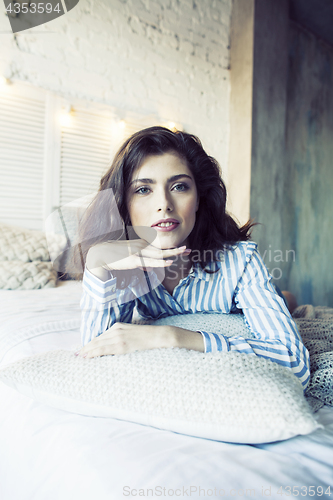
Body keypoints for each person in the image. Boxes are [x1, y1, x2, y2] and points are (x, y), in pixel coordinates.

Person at [74, 126, 309, 390]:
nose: (164, 203)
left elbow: (295, 363)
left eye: (179, 186)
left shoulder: (241, 260)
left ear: (198, 199)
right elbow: (96, 350)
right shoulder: (126, 261)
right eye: (143, 190)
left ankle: (285, 297)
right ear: (124, 205)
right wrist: (97, 261)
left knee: (284, 300)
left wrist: (171, 336)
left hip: (244, 293)